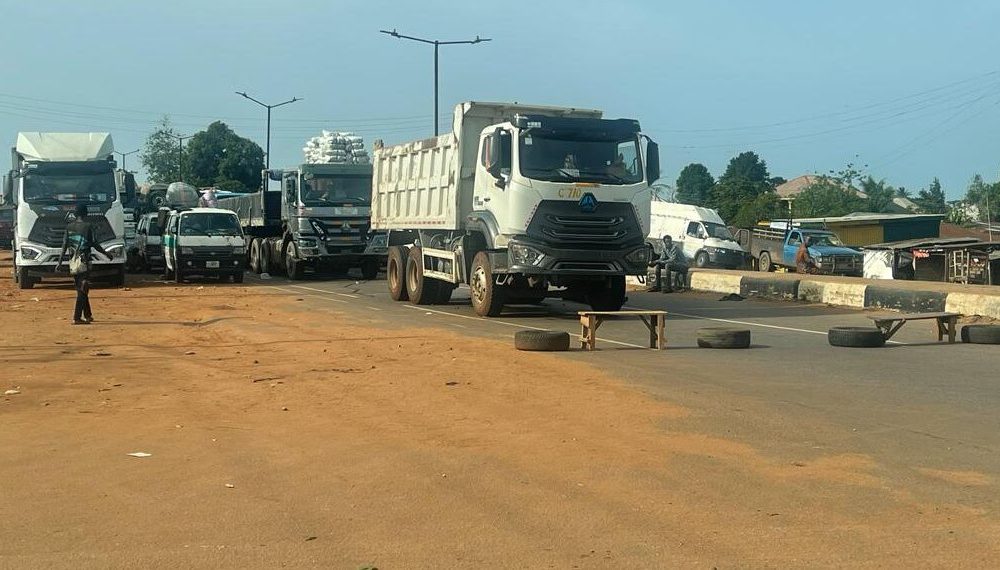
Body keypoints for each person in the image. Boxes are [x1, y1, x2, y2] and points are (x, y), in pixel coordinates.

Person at [55, 203, 110, 325]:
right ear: (86, 213)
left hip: (73, 261)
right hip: (84, 260)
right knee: (83, 288)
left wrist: (59, 262)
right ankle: (76, 317)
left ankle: (88, 315)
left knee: (81, 287)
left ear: (75, 214)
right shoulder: (88, 226)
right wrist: (106, 254)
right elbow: (94, 244)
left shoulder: (69, 227)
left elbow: (64, 245)